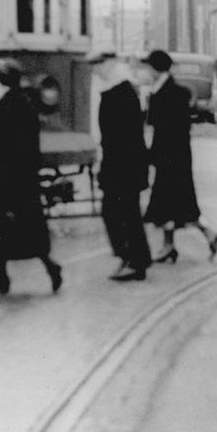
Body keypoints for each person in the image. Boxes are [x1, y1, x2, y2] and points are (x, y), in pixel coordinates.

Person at [0, 59, 62, 294]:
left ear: (4, 78)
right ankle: (49, 267)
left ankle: (2, 276)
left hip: (6, 175)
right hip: (23, 178)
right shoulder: (24, 101)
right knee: (29, 227)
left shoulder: (10, 103)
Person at [141, 49, 217, 262]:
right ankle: (178, 243)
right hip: (173, 157)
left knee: (173, 204)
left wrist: (156, 155)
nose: (147, 71)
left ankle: (181, 243)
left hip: (172, 158)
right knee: (174, 205)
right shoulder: (166, 90)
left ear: (155, 68)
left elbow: (170, 129)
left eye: (149, 66)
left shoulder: (170, 92)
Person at [91, 50, 151, 282]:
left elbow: (122, 139)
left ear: (109, 63)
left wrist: (109, 168)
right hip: (122, 166)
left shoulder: (120, 92)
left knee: (121, 214)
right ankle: (134, 259)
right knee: (124, 213)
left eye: (97, 64)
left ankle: (134, 261)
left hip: (123, 168)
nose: (95, 70)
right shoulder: (118, 90)